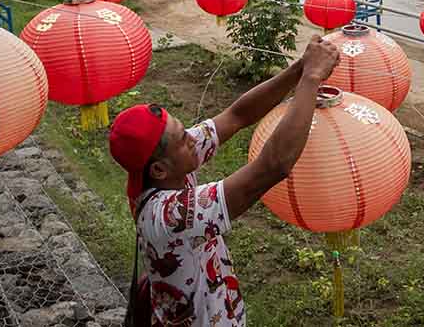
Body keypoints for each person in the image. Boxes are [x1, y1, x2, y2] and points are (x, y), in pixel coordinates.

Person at [109, 35, 340, 327]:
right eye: (181, 138)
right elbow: (273, 166)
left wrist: (298, 69)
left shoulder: (166, 169)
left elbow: (237, 116)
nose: (192, 138)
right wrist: (311, 78)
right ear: (159, 170)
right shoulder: (168, 215)